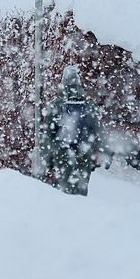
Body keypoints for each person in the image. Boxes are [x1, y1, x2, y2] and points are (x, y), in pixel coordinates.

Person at [42, 65, 100, 196]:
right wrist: (93, 151)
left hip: (62, 151)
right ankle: (82, 204)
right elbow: (96, 129)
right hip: (84, 150)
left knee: (65, 188)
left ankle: (68, 206)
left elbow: (49, 134)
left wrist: (49, 160)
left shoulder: (56, 104)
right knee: (82, 185)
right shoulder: (89, 104)